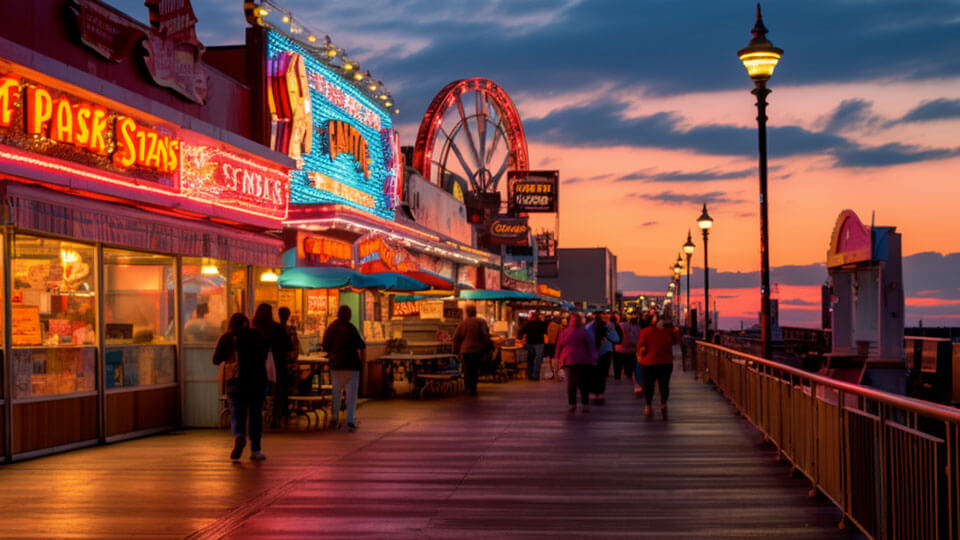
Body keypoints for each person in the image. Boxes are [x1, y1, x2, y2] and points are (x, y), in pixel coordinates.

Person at [213, 313, 270, 461]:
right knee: (256, 416)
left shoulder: (227, 338)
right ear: (247, 323)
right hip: (258, 381)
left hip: (236, 382)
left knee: (237, 414)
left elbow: (216, 359)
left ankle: (239, 436)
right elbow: (264, 355)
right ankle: (256, 450)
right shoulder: (257, 335)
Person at [322, 305, 366, 431]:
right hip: (351, 365)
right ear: (349, 315)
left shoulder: (331, 328)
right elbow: (360, 344)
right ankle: (350, 420)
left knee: (336, 392)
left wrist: (333, 352)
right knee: (351, 394)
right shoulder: (351, 328)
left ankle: (334, 418)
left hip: (335, 364)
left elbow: (325, 345)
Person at [252, 304, 290, 429]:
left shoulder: (254, 329)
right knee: (277, 391)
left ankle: (258, 416)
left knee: (258, 392)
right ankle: (275, 417)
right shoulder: (277, 328)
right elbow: (287, 346)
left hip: (257, 365)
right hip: (277, 364)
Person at [637, 315, 681, 419]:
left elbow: (641, 346)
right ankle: (663, 404)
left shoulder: (645, 331)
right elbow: (676, 341)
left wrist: (640, 356)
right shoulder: (668, 331)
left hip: (649, 362)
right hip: (665, 362)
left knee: (648, 385)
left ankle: (648, 406)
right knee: (664, 384)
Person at [555, 312, 597, 412]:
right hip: (583, 360)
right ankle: (584, 403)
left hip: (568, 360)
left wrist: (557, 358)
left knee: (571, 384)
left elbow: (559, 346)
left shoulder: (565, 332)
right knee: (583, 383)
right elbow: (590, 346)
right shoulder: (584, 331)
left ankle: (572, 404)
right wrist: (593, 358)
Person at [453, 304, 491, 396]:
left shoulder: (462, 323)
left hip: (465, 350)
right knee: (475, 369)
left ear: (466, 313)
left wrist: (455, 350)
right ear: (475, 312)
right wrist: (486, 348)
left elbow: (456, 338)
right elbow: (486, 335)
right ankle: (473, 388)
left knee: (467, 369)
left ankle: (467, 388)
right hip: (477, 350)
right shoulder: (481, 322)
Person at [584, 311, 620, 404]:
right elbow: (616, 339)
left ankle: (594, 392)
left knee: (594, 372)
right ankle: (600, 392)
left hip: (594, 353)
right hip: (604, 352)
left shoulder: (588, 327)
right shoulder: (609, 327)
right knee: (602, 374)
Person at [518, 311, 548, 381]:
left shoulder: (527, 324)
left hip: (530, 343)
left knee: (530, 359)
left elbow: (521, 332)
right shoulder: (541, 324)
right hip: (539, 343)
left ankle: (530, 374)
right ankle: (535, 375)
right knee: (537, 359)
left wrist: (520, 338)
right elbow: (545, 331)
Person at [616, 315, 642, 392]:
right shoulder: (636, 327)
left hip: (619, 348)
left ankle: (618, 377)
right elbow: (635, 337)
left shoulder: (619, 326)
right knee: (630, 365)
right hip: (631, 349)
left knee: (618, 364)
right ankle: (629, 375)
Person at [610, 313, 629, 379]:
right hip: (620, 346)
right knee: (619, 361)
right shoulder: (618, 326)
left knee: (617, 362)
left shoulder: (614, 326)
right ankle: (620, 374)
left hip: (616, 346)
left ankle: (617, 375)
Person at [545, 315, 562, 380]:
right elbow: (560, 336)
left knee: (551, 359)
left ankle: (554, 373)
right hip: (556, 344)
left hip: (550, 344)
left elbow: (548, 334)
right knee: (556, 359)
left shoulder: (549, 325)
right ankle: (556, 374)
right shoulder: (559, 326)